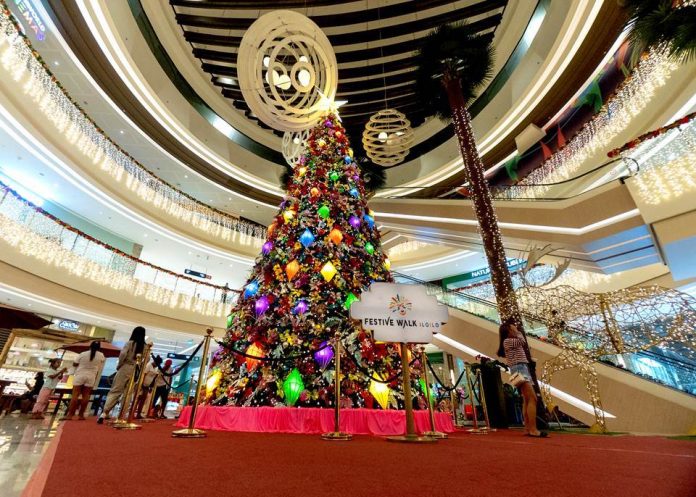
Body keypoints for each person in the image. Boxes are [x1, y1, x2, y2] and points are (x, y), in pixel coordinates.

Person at [497, 320, 548, 438]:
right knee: (533, 398)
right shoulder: (508, 341)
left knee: (526, 399)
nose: (515, 329)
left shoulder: (507, 341)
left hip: (519, 368)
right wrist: (518, 332)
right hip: (519, 369)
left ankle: (528, 428)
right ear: (508, 331)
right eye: (512, 328)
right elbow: (522, 341)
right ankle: (533, 429)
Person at [98, 326, 146, 424]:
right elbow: (147, 359)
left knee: (115, 390)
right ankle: (122, 415)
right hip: (136, 370)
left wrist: (119, 365)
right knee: (128, 393)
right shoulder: (145, 347)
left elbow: (123, 354)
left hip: (125, 367)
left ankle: (104, 412)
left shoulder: (130, 343)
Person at [63, 341, 106, 420]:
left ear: (90, 346)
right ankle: (81, 415)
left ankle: (70, 415)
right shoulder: (101, 355)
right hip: (91, 376)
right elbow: (101, 363)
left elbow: (75, 364)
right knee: (86, 396)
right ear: (99, 348)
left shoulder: (83, 354)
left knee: (75, 395)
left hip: (80, 375)